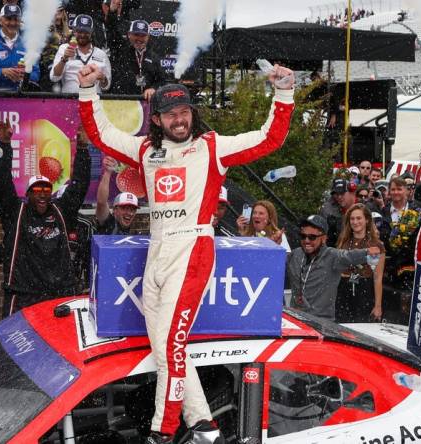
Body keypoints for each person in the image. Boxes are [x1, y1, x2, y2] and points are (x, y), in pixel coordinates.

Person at [78, 62, 296, 443]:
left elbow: (269, 139)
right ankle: (203, 424)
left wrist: (284, 94)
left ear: (192, 113)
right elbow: (102, 134)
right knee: (164, 347)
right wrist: (86, 92)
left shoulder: (212, 147)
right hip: (157, 250)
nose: (179, 120)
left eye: (184, 112)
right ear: (158, 119)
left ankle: (162, 431)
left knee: (173, 345)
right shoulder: (146, 150)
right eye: (170, 114)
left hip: (193, 248)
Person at [0, 122, 90, 316]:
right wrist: (4, 144)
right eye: (37, 190)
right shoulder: (16, 213)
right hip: (23, 295)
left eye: (46, 190)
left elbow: (79, 185)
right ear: (28, 194)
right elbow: (1, 183)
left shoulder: (61, 211)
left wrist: (82, 148)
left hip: (59, 293)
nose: (42, 194)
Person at [287, 214, 381, 321]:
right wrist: (272, 245)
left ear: (324, 238)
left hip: (321, 323)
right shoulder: (295, 254)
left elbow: (349, 256)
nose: (306, 240)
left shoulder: (332, 256)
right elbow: (273, 264)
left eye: (312, 237)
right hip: (295, 319)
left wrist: (367, 251)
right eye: (303, 236)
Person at [334, 204, 385, 322]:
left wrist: (378, 306)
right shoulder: (343, 242)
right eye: (352, 219)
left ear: (366, 220)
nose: (355, 222)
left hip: (365, 291)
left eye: (359, 218)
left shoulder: (377, 245)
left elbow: (378, 278)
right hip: (342, 290)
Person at [105, 14, 165, 99]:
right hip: (120, 102)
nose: (139, 39)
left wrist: (153, 88)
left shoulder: (154, 57)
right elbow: (111, 30)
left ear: (148, 36)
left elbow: (162, 81)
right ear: (129, 34)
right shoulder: (119, 50)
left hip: (143, 105)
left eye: (143, 35)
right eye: (136, 34)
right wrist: (112, 12)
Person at [50, 14, 111, 94]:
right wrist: (64, 59)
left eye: (86, 32)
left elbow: (107, 86)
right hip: (69, 101)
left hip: (94, 102)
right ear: (74, 31)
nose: (82, 35)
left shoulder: (101, 54)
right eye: (79, 31)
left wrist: (103, 78)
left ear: (91, 32)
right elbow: (54, 77)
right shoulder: (64, 48)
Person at [0, 4, 41, 91]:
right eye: (8, 19)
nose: (12, 23)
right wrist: (2, 72)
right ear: (0, 20)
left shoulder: (28, 44)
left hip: (21, 98)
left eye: (16, 19)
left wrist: (25, 75)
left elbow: (36, 74)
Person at [95, 156, 140, 234]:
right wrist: (108, 172)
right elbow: (101, 202)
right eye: (125, 208)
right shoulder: (109, 223)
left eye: (133, 209)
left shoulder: (135, 234)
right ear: (115, 210)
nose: (129, 213)